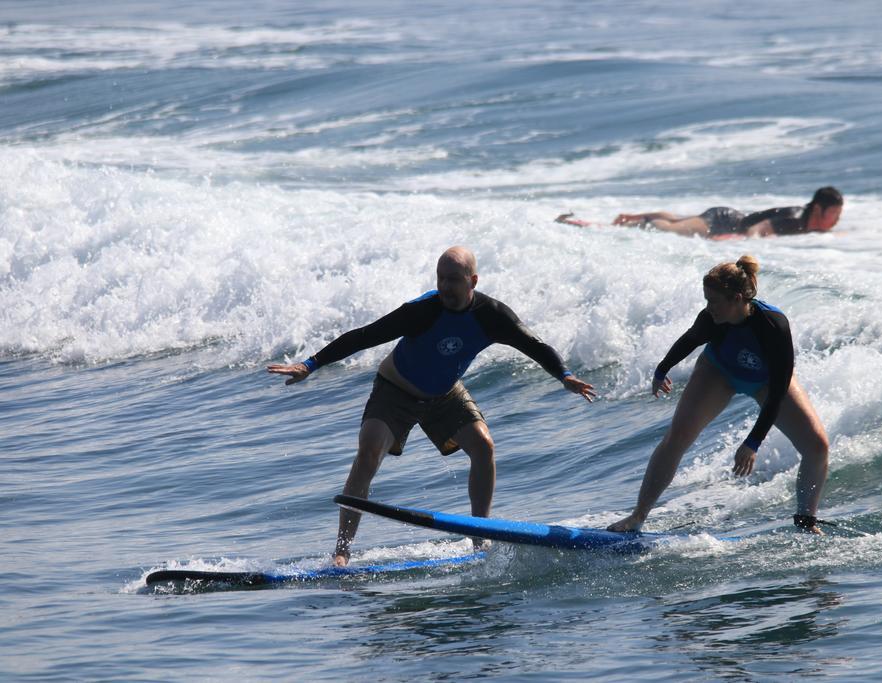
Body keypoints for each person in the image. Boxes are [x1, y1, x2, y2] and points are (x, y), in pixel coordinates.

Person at [268, 246, 596, 566]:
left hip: (444, 393)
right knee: (368, 451)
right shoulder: (422, 311)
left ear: (473, 281)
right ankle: (342, 551)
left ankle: (480, 537)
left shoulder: (492, 315)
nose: (445, 287)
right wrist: (310, 365)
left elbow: (533, 345)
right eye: (440, 278)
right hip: (395, 390)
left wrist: (564, 376)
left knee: (483, 445)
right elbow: (363, 336)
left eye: (453, 279)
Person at [607, 255, 829, 534]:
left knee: (818, 446)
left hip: (767, 383)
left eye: (713, 301)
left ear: (736, 298)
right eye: (706, 300)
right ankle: (638, 516)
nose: (707, 307)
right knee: (677, 437)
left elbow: (779, 389)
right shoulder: (711, 318)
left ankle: (806, 521)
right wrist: (662, 370)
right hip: (718, 372)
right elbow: (689, 340)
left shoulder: (774, 326)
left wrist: (753, 442)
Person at [556, 187, 844, 239]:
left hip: (726, 217)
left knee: (678, 222)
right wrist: (749, 238)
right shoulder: (796, 219)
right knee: (669, 229)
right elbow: (762, 224)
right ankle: (616, 227)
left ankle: (631, 218)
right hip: (723, 220)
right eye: (834, 214)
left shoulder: (808, 222)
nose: (836, 220)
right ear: (818, 208)